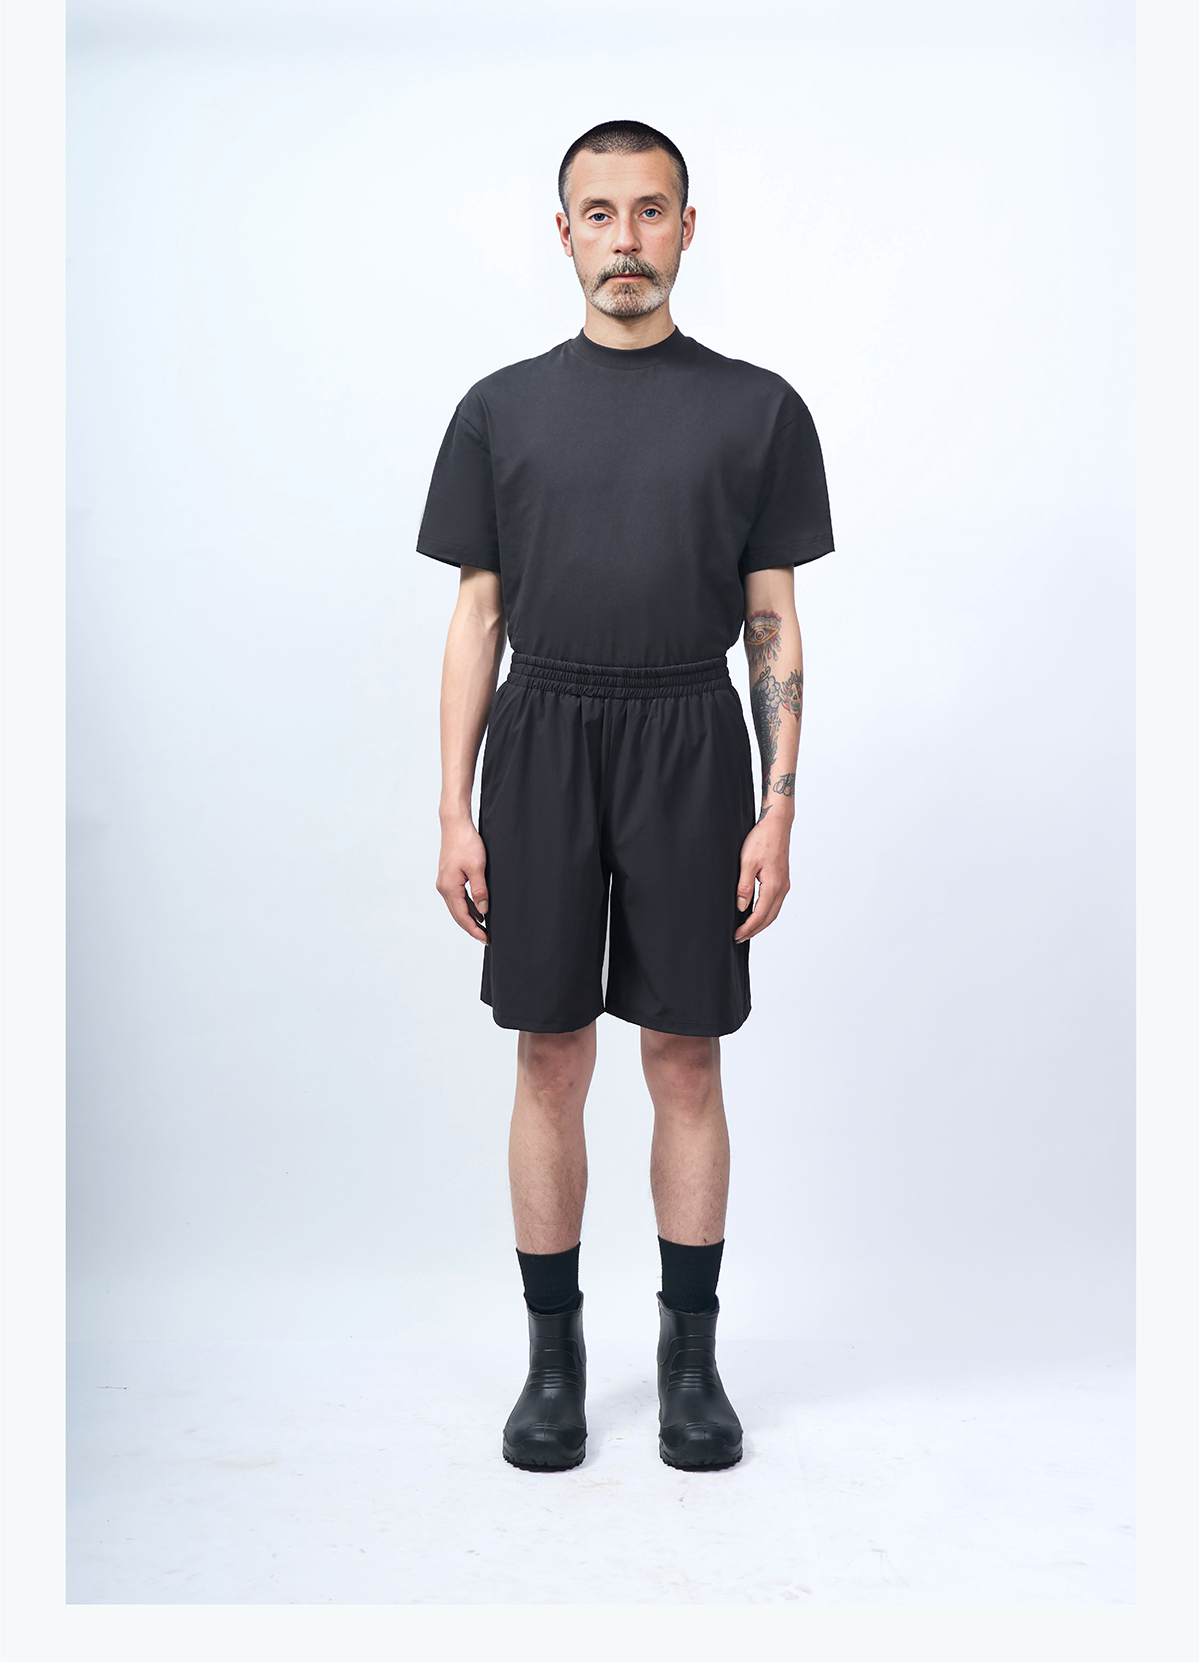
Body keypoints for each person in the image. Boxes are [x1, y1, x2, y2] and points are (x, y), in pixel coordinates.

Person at [417, 119, 833, 1472]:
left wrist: (778, 803)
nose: (626, 240)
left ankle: (690, 1362)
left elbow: (773, 619)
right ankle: (554, 1363)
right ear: (564, 235)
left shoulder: (758, 410)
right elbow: (478, 617)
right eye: (599, 214)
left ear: (687, 228)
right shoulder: (500, 409)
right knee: (549, 1052)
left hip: (689, 737)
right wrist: (454, 806)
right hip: (542, 735)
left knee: (685, 1053)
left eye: (651, 211)